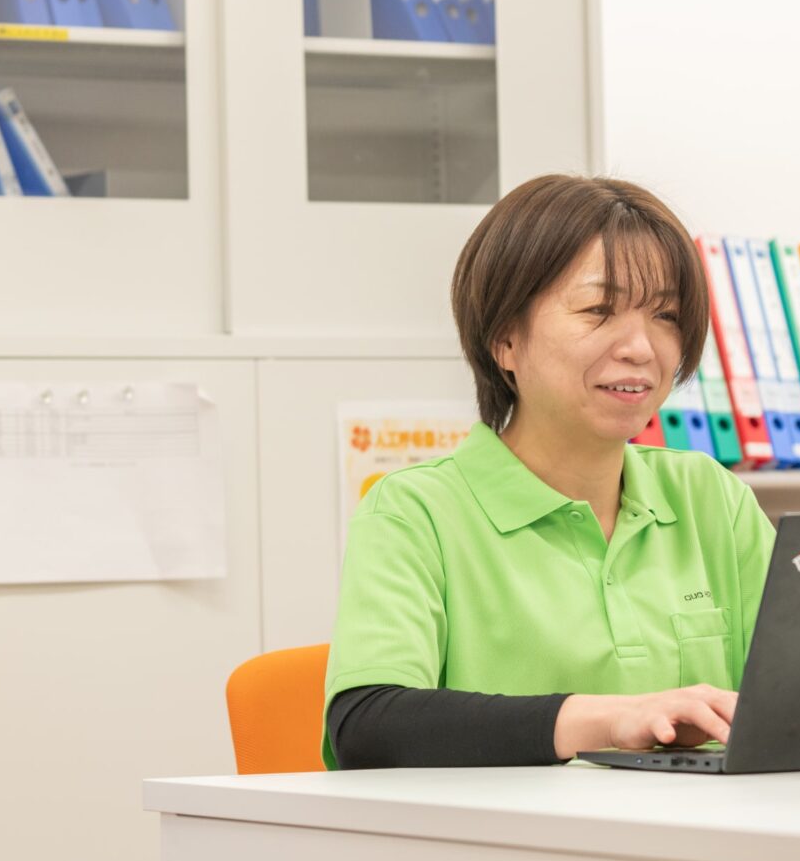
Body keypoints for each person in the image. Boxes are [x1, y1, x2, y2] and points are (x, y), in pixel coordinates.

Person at [322, 174, 776, 769]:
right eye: (598, 310)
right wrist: (610, 721)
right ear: (505, 340)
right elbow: (369, 726)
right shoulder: (416, 513)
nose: (641, 348)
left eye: (666, 314)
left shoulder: (709, 497)